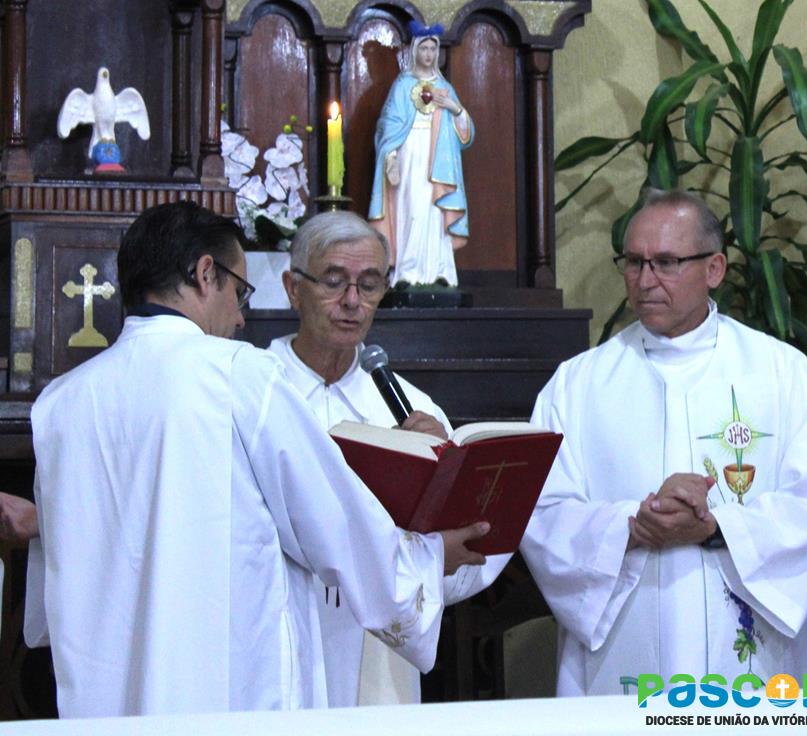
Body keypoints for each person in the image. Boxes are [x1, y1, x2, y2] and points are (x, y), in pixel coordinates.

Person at [23, 201, 487, 718]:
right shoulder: (240, 375)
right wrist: (424, 558)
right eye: (239, 291)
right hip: (223, 690)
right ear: (205, 274)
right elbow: (331, 525)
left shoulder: (61, 402)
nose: (242, 316)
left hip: (107, 696)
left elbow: (74, 553)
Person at [517, 188, 807, 695]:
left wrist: (717, 528)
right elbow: (540, 512)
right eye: (634, 262)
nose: (645, 280)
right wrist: (633, 525)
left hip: (756, 672)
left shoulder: (782, 373)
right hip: (622, 659)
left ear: (714, 269)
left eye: (666, 262)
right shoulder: (577, 384)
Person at [272, 210, 453, 706]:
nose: (352, 302)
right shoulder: (255, 393)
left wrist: (446, 477)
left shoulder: (414, 411)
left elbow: (463, 556)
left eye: (369, 284)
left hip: (379, 654)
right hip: (277, 632)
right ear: (293, 288)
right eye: (334, 281)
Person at [368, 21, 473, 287]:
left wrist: (453, 108)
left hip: (438, 158)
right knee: (411, 209)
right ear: (415, 50)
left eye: (432, 49)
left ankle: (440, 271)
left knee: (434, 212)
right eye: (423, 48)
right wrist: (390, 156)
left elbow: (466, 134)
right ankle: (406, 272)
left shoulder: (444, 87)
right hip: (410, 152)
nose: (428, 54)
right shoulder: (403, 85)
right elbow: (388, 125)